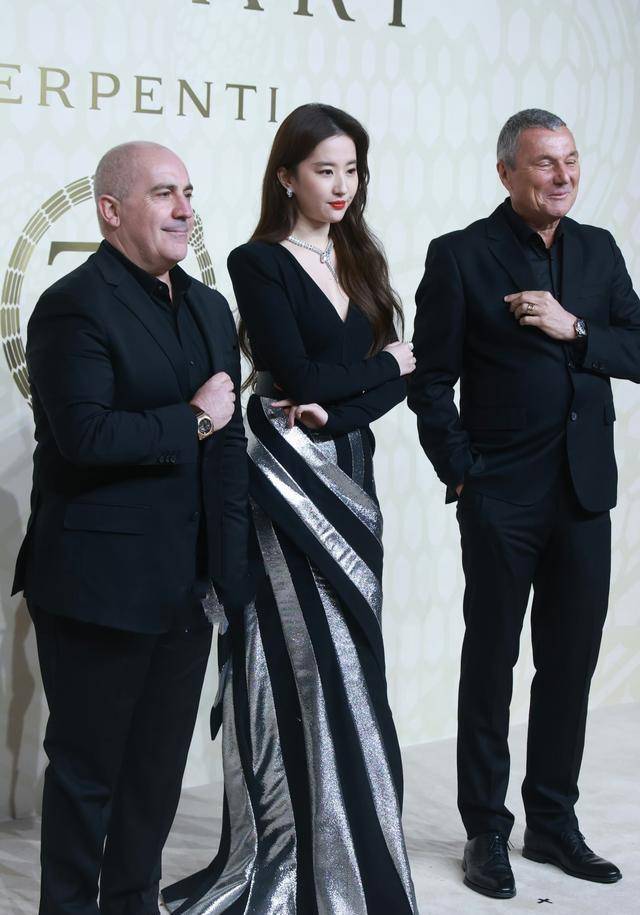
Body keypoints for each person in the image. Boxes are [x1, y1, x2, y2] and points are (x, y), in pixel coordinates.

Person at [162, 104, 418, 914]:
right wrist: (384, 367)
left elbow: (389, 382)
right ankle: (292, 851)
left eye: (351, 170)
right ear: (286, 176)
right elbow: (299, 375)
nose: (342, 186)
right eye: (324, 170)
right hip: (283, 478)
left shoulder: (362, 257)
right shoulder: (258, 261)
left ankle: (356, 851)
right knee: (294, 660)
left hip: (350, 473)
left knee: (355, 662)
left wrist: (351, 398)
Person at [12, 141, 251, 915]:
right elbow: (85, 435)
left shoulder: (210, 308)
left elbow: (229, 451)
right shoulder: (73, 305)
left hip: (187, 588)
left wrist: (231, 574)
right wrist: (193, 418)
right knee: (88, 777)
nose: (184, 209)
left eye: (188, 192)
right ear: (110, 211)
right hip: (98, 587)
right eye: (163, 193)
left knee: (155, 776)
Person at [408, 108, 639, 899]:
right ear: (507, 171)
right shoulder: (461, 255)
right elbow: (430, 380)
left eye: (571, 159)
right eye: (545, 162)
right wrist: (463, 472)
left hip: (584, 495)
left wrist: (578, 330)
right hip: (500, 496)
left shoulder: (599, 251)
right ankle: (485, 829)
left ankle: (552, 819)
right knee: (491, 662)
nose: (564, 175)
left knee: (569, 664)